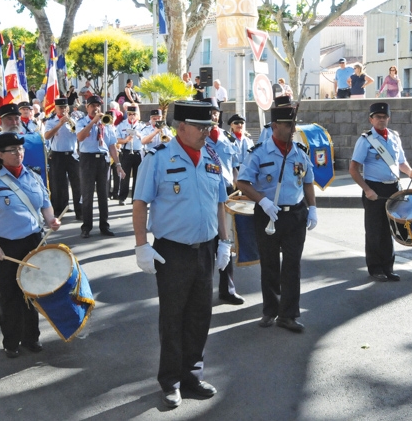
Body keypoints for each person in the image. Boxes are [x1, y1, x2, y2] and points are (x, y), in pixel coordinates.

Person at [132, 100, 229, 409]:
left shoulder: (212, 155)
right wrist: (141, 245)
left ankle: (192, 376)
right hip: (172, 251)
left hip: (206, 250)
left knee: (201, 315)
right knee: (173, 318)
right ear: (181, 127)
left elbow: (220, 203)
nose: (206, 132)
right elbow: (139, 202)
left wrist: (225, 242)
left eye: (209, 127)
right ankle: (171, 381)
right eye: (201, 128)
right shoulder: (159, 158)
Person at [0, 133, 61, 358]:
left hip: (33, 241)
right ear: (0, 155)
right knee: (10, 295)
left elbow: (45, 204)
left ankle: (32, 338)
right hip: (4, 244)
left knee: (32, 292)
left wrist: (52, 220)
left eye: (20, 149)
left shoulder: (33, 176)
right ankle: (11, 342)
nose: (18, 153)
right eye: (12, 150)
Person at [238, 100, 317, 331]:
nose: (292, 129)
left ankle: (289, 315)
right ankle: (270, 311)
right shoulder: (259, 153)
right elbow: (242, 181)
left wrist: (312, 208)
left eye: (293, 124)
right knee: (270, 264)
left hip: (295, 215)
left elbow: (309, 182)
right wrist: (262, 201)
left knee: (292, 265)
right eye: (287, 124)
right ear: (274, 125)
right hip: (268, 215)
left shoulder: (300, 152)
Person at [349, 102, 412, 282]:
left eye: (384, 117)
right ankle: (375, 268)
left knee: (391, 229)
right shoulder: (365, 140)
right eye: (377, 117)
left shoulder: (395, 137)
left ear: (388, 118)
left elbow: (401, 162)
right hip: (374, 188)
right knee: (374, 230)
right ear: (371, 119)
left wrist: (410, 171)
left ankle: (388, 267)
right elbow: (353, 168)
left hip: (393, 187)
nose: (381, 120)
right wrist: (367, 190)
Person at [205, 100, 244, 305]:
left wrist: (241, 189)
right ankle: (203, 290)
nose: (214, 116)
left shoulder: (228, 137)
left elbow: (234, 167)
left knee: (226, 241)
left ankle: (227, 289)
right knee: (206, 242)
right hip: (206, 192)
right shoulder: (198, 137)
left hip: (227, 192)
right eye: (210, 112)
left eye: (216, 113)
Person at [76, 95, 125, 238]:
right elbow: (80, 137)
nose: (96, 108)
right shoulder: (82, 122)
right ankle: (86, 227)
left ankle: (104, 226)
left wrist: (118, 164)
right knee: (87, 195)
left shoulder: (107, 123)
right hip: (87, 160)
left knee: (104, 195)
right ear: (87, 107)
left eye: (98, 105)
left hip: (103, 160)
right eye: (92, 105)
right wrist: (93, 123)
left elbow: (111, 145)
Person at [44, 98, 83, 221]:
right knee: (58, 185)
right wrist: (59, 124)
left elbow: (80, 134)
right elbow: (47, 136)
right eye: (61, 108)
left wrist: (71, 123)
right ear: (55, 109)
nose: (63, 109)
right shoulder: (51, 121)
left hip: (72, 155)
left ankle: (80, 211)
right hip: (57, 155)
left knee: (77, 184)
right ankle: (58, 210)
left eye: (65, 107)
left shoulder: (75, 120)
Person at [116, 104, 144, 206]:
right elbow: (117, 139)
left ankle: (135, 198)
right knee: (124, 176)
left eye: (134, 114)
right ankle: (122, 197)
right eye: (130, 114)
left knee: (138, 176)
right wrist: (125, 140)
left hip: (138, 152)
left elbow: (145, 139)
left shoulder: (142, 126)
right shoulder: (122, 125)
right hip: (126, 152)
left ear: (137, 115)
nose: (132, 116)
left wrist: (138, 134)